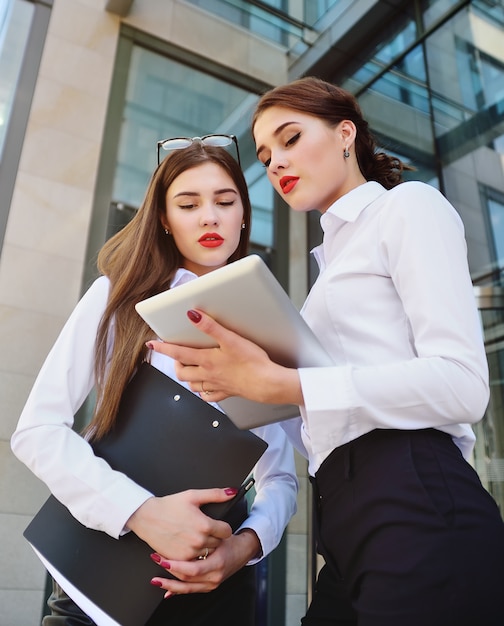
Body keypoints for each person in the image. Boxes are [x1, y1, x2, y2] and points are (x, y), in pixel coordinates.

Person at [147, 77, 504, 626]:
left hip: (413, 496)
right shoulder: (323, 276)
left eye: (290, 139)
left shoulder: (407, 207)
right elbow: (326, 416)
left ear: (345, 133)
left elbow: (462, 385)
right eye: (266, 156)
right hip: (341, 511)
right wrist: (240, 384)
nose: (277, 163)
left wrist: (283, 385)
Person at [11, 137, 298, 626]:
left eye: (225, 202)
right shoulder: (115, 299)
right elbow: (37, 432)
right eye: (188, 204)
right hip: (98, 580)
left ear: (244, 215)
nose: (210, 217)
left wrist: (245, 547)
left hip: (215, 594)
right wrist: (140, 511)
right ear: (164, 219)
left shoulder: (269, 330)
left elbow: (281, 477)